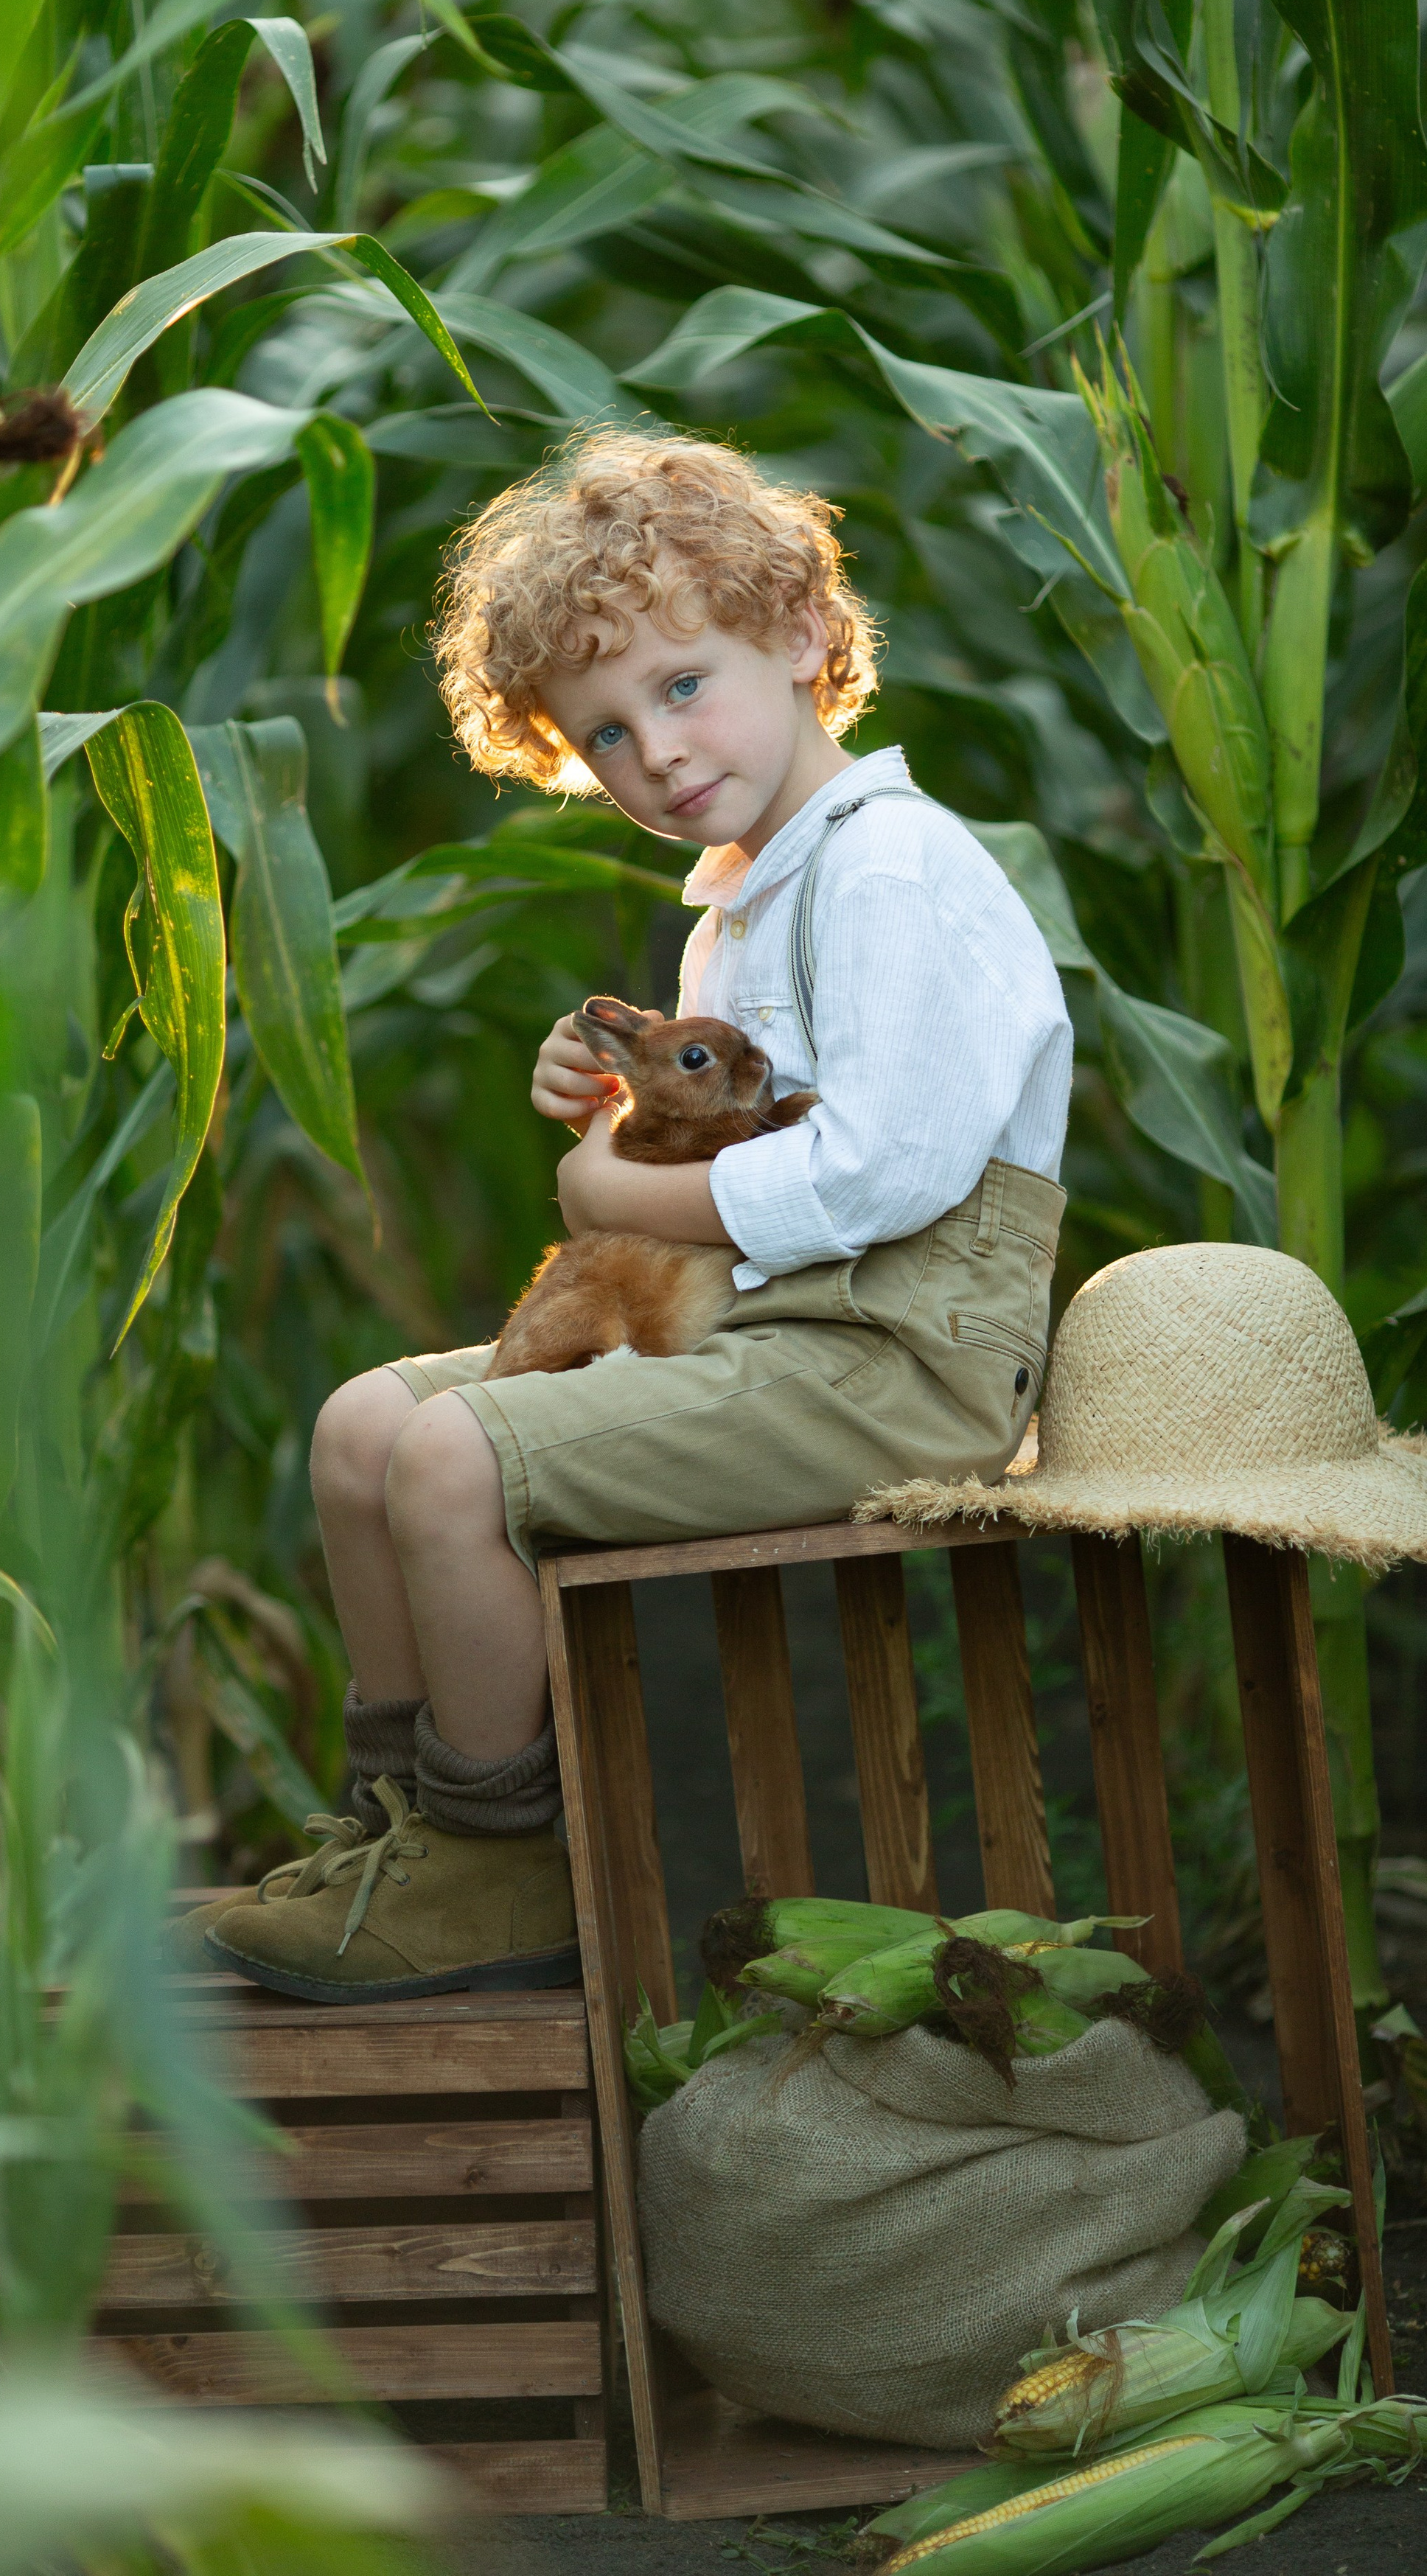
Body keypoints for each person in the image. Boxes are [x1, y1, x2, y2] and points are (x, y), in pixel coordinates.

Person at [191, 428, 1071, 2001]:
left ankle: (496, 1867)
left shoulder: (892, 874)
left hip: (895, 1357)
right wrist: (609, 1102)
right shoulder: (741, 902)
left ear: (803, 632)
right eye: (600, 733)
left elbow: (885, 1172)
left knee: (457, 1454)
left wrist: (605, 1184)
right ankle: (405, 1828)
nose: (652, 754)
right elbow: (703, 1133)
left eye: (682, 685)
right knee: (356, 1432)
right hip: (757, 1332)